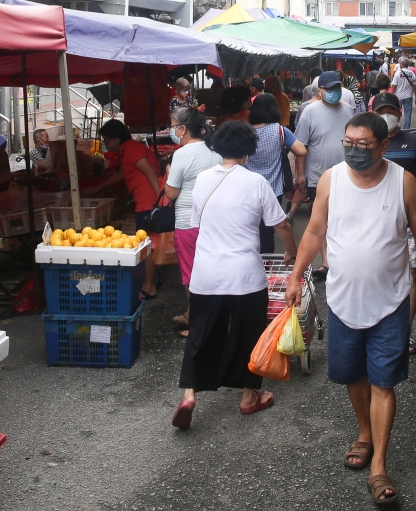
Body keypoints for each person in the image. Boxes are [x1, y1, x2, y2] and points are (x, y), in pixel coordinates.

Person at [285, 113, 416, 505]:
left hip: (390, 303)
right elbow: (316, 230)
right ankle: (364, 432)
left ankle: (379, 467)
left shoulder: (402, 182)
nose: (353, 151)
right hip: (341, 301)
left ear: (383, 145)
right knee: (352, 375)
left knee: (383, 382)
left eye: (363, 145)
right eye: (348, 144)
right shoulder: (331, 181)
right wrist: (295, 274)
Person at [172, 121, 298, 430]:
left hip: (206, 274)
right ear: (249, 151)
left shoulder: (202, 180)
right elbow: (280, 224)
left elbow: (198, 221)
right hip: (245, 276)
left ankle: (189, 394)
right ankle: (247, 396)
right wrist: (292, 253)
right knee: (247, 334)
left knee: (201, 334)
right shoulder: (256, 182)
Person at [372, 93, 416, 355]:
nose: (386, 115)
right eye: (381, 112)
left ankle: (405, 333)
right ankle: (379, 327)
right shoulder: (370, 143)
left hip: (411, 216)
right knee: (379, 269)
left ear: (400, 113)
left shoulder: (413, 141)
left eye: (390, 110)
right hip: (378, 217)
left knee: (411, 272)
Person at [164, 107, 222, 337]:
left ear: (183, 129)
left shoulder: (183, 154)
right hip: (214, 219)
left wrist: (169, 173)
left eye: (173, 125)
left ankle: (199, 324)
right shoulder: (213, 149)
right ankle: (194, 313)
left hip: (188, 221)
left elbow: (170, 193)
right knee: (211, 269)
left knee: (191, 273)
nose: (171, 130)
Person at [89, 120, 162, 300]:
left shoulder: (131, 148)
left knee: (147, 246)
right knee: (149, 245)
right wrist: (98, 189)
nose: (106, 144)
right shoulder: (127, 151)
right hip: (147, 201)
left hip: (148, 203)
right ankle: (151, 281)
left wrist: (160, 202)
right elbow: (123, 173)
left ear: (116, 139)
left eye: (107, 140)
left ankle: (148, 286)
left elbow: (151, 173)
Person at [294, 70, 354, 279]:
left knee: (345, 217)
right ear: (320, 91)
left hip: (347, 174)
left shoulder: (348, 110)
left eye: (337, 88)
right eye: (330, 89)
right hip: (318, 176)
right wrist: (300, 174)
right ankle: (327, 263)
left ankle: (344, 257)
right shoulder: (309, 112)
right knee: (322, 220)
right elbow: (301, 145)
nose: (335, 92)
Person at [246, 94, 308, 253]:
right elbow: (301, 150)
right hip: (273, 189)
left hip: (248, 189)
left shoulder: (245, 132)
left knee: (249, 229)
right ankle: (267, 265)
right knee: (268, 230)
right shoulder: (280, 131)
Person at [389, 59, 416, 129]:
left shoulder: (398, 73)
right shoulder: (412, 73)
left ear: (401, 64)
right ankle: (406, 129)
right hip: (408, 96)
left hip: (398, 97)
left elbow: (394, 86)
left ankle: (397, 127)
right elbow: (415, 87)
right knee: (407, 114)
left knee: (397, 113)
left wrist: (391, 96)